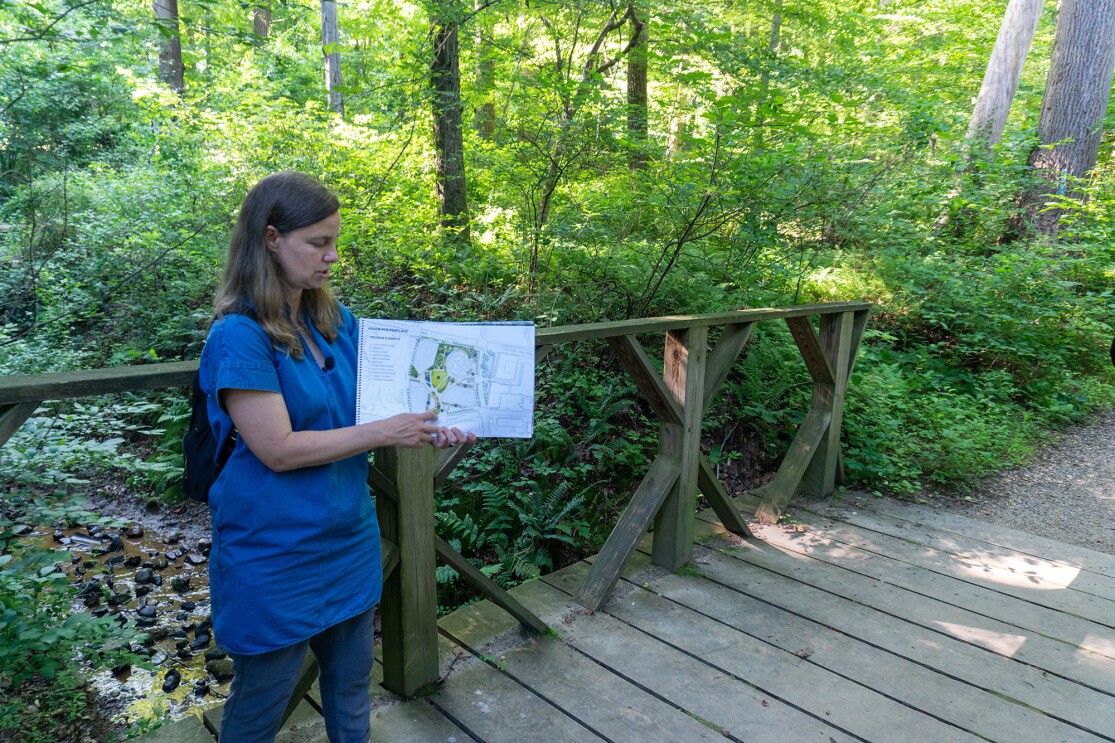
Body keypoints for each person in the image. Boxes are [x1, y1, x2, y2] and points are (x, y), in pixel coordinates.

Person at [198, 171, 475, 743]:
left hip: (348, 536)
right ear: (271, 238)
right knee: (259, 707)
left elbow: (395, 393)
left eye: (335, 242)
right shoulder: (239, 335)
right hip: (273, 550)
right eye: (318, 243)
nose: (332, 257)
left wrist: (437, 420)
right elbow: (277, 450)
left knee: (351, 690)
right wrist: (385, 432)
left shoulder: (333, 320)